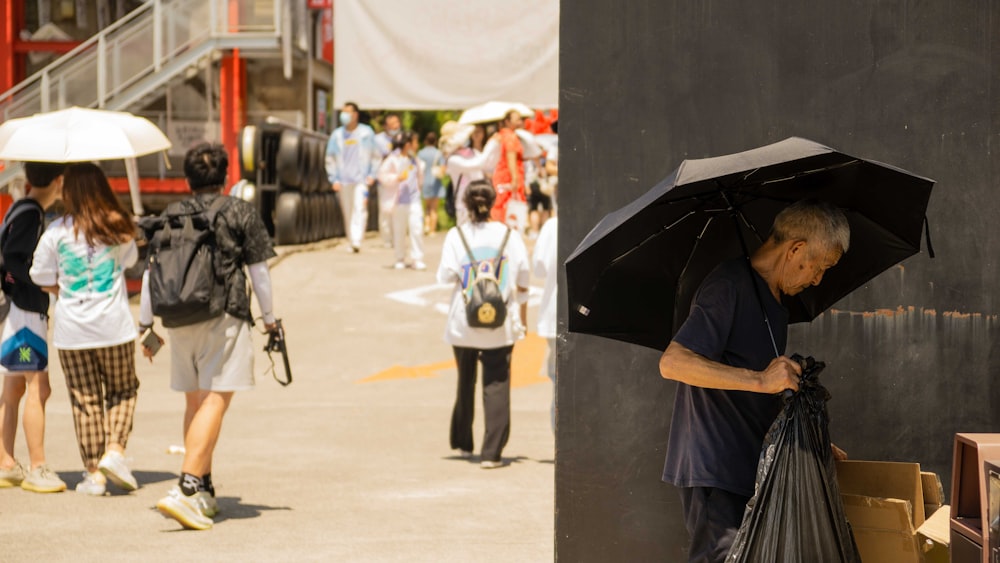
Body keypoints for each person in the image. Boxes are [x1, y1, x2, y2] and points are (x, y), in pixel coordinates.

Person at [658, 200, 851, 563]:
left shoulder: (774, 304)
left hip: (750, 467)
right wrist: (761, 379)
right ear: (795, 249)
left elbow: (764, 388)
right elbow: (673, 362)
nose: (817, 280)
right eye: (819, 267)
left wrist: (811, 435)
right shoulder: (728, 285)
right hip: (714, 466)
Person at [142, 143, 278, 530]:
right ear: (226, 177)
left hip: (177, 316)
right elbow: (260, 273)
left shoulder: (171, 213)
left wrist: (144, 324)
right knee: (217, 399)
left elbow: (152, 270)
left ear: (187, 179)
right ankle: (184, 488)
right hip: (224, 314)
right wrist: (270, 320)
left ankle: (202, 487)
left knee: (195, 403)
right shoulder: (238, 211)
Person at [29, 162, 140, 496]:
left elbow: (39, 275)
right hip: (113, 327)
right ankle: (115, 452)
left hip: (72, 331)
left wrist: (60, 288)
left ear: (69, 192)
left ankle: (94, 474)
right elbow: (131, 262)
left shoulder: (56, 232)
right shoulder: (119, 226)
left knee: (85, 400)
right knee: (123, 390)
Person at [437, 181, 529, 469]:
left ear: (465, 203)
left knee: (465, 383)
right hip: (500, 325)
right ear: (492, 202)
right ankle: (492, 453)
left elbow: (444, 277)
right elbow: (524, 277)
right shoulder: (508, 235)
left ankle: (464, 443)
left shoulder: (456, 235)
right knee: (497, 384)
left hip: (463, 324)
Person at [0, 161, 67, 494]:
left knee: (13, 390)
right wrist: (43, 285)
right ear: (59, 181)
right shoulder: (31, 214)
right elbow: (14, 259)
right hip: (26, 313)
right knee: (38, 388)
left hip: (15, 312)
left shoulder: (19, 209)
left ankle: (6, 462)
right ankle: (38, 466)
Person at [325, 102, 381, 253]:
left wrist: (372, 175)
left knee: (360, 207)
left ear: (355, 114)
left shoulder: (366, 133)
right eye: (343, 112)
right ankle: (351, 240)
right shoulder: (337, 135)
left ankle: (357, 239)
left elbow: (376, 155)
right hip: (343, 180)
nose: (345, 115)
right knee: (347, 210)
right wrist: (333, 179)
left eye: (348, 112)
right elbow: (330, 158)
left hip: (361, 180)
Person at [377, 131, 426, 270]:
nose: (417, 145)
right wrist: (396, 178)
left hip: (414, 200)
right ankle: (400, 257)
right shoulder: (393, 158)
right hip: (398, 201)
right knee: (399, 230)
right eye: (415, 142)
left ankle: (417, 258)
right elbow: (382, 175)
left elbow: (419, 177)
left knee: (416, 229)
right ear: (408, 144)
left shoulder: (415, 159)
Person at [532, 215, 557, 432]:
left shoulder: (551, 225)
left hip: (553, 313)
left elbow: (538, 269)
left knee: (559, 382)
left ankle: (558, 440)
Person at [490, 110, 526, 228]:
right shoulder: (510, 136)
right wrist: (515, 179)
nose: (520, 121)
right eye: (517, 119)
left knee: (502, 205)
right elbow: (511, 158)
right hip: (509, 176)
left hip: (501, 176)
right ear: (507, 121)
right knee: (507, 206)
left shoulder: (501, 135)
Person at [375, 113, 403, 247]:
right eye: (392, 124)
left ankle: (397, 237)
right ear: (386, 126)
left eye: (397, 123)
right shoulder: (378, 140)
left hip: (400, 180)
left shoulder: (402, 137)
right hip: (385, 179)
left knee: (398, 209)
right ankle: (387, 239)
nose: (395, 126)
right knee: (385, 209)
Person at [417, 131, 445, 235]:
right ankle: (432, 230)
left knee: (427, 208)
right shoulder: (438, 153)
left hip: (424, 182)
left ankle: (426, 226)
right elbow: (443, 168)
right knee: (434, 209)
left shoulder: (421, 153)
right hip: (436, 182)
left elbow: (419, 168)